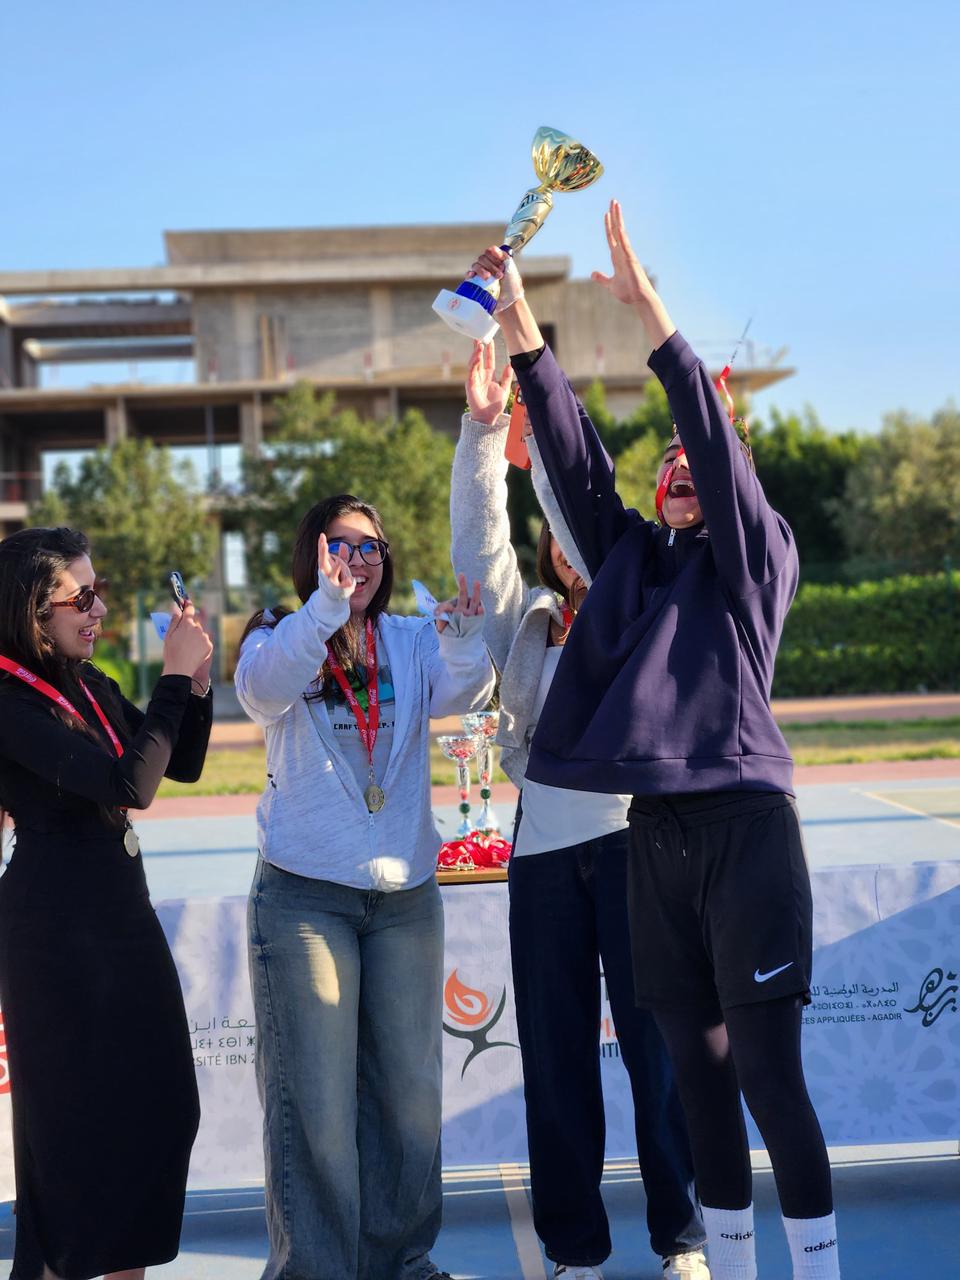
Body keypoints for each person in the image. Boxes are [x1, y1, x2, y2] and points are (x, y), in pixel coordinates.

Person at [466, 201, 841, 1280]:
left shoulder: (755, 560)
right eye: (666, 460)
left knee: (769, 1076)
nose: (681, 467)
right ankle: (724, 1261)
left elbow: (720, 446)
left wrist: (653, 315)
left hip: (745, 833)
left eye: (696, 461)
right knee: (700, 1077)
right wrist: (527, 323)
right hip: (654, 845)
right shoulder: (625, 559)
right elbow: (577, 461)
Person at [451, 340, 709, 1280]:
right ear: (548, 552)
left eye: (577, 525)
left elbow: (577, 491)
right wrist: (482, 438)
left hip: (643, 857)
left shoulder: (651, 604)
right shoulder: (526, 623)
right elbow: (479, 546)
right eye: (553, 531)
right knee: (557, 1070)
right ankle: (574, 1250)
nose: (568, 539)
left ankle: (683, 1238)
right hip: (547, 865)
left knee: (663, 1062)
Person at [235, 494, 495, 1280]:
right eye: (341, 544)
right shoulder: (278, 636)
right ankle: (316, 1271)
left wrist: (462, 633)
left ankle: (401, 1262)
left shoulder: (409, 639)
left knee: (410, 1103)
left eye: (372, 546)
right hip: (305, 900)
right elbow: (262, 692)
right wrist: (324, 607)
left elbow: (467, 692)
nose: (359, 558)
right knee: (314, 1110)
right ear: (313, 552)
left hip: (404, 900)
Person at [0, 526, 214, 1280]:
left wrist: (197, 681)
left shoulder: (86, 680)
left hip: (119, 919)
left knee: (160, 1109)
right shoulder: (8, 698)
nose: (97, 609)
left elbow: (177, 761)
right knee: (77, 1138)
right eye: (79, 597)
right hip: (55, 935)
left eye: (99, 593)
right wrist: (171, 679)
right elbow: (131, 787)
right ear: (34, 609)